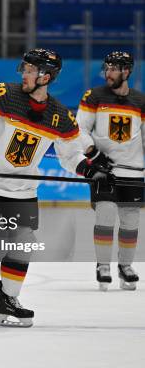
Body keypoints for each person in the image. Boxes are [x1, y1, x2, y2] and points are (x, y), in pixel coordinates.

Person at [0, 48, 112, 327]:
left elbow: (69, 156)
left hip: (24, 192)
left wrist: (90, 170)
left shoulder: (58, 116)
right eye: (26, 68)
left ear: (46, 77)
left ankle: (8, 300)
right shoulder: (5, 95)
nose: (24, 74)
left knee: (24, 243)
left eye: (31, 70)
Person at [76, 51, 144, 291]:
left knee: (131, 220)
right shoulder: (94, 96)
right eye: (107, 68)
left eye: (114, 68)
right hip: (105, 171)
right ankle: (103, 265)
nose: (108, 73)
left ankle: (125, 266)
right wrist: (93, 154)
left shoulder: (140, 101)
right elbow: (80, 129)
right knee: (105, 212)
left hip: (134, 172)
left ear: (127, 71)